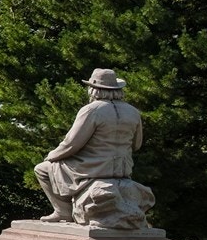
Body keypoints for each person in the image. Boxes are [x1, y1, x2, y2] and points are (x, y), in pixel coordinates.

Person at [34, 68, 145, 224]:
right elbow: (137, 144)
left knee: (42, 169)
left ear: (93, 89)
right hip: (123, 168)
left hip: (94, 167)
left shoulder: (92, 110)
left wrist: (52, 155)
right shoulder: (133, 112)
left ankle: (63, 211)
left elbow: (71, 144)